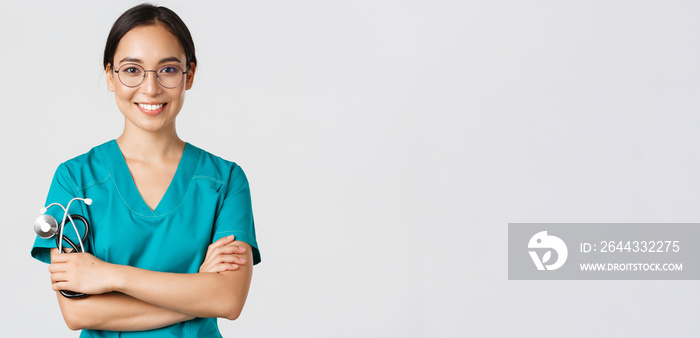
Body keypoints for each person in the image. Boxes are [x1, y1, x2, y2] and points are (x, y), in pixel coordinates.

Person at [30, 3, 261, 337]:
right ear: (110, 75)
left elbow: (228, 299)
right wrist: (198, 289)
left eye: (167, 70)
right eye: (132, 70)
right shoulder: (74, 179)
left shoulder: (225, 181)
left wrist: (109, 275)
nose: (150, 88)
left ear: (189, 76)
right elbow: (78, 312)